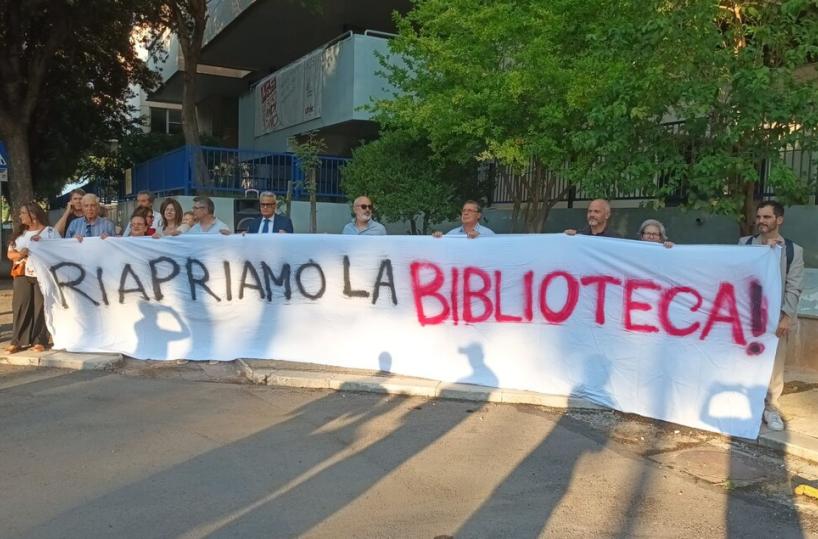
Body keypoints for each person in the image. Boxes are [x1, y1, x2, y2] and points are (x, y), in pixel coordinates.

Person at [739, 200, 804, 431]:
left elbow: (794, 287)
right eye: (759, 217)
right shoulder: (745, 244)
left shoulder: (793, 250)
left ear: (779, 219)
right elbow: (737, 272)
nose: (761, 221)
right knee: (744, 360)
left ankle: (771, 408)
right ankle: (745, 404)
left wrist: (787, 317)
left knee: (774, 365)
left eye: (767, 217)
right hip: (746, 316)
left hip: (775, 318)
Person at [5, 203, 60, 354]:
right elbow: (10, 254)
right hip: (22, 274)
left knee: (41, 306)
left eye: (23, 213)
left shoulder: (50, 232)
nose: (20, 216)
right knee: (21, 306)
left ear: (33, 215)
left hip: (42, 273)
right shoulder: (20, 234)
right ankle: (17, 340)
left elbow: (58, 251)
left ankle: (40, 340)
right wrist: (21, 254)